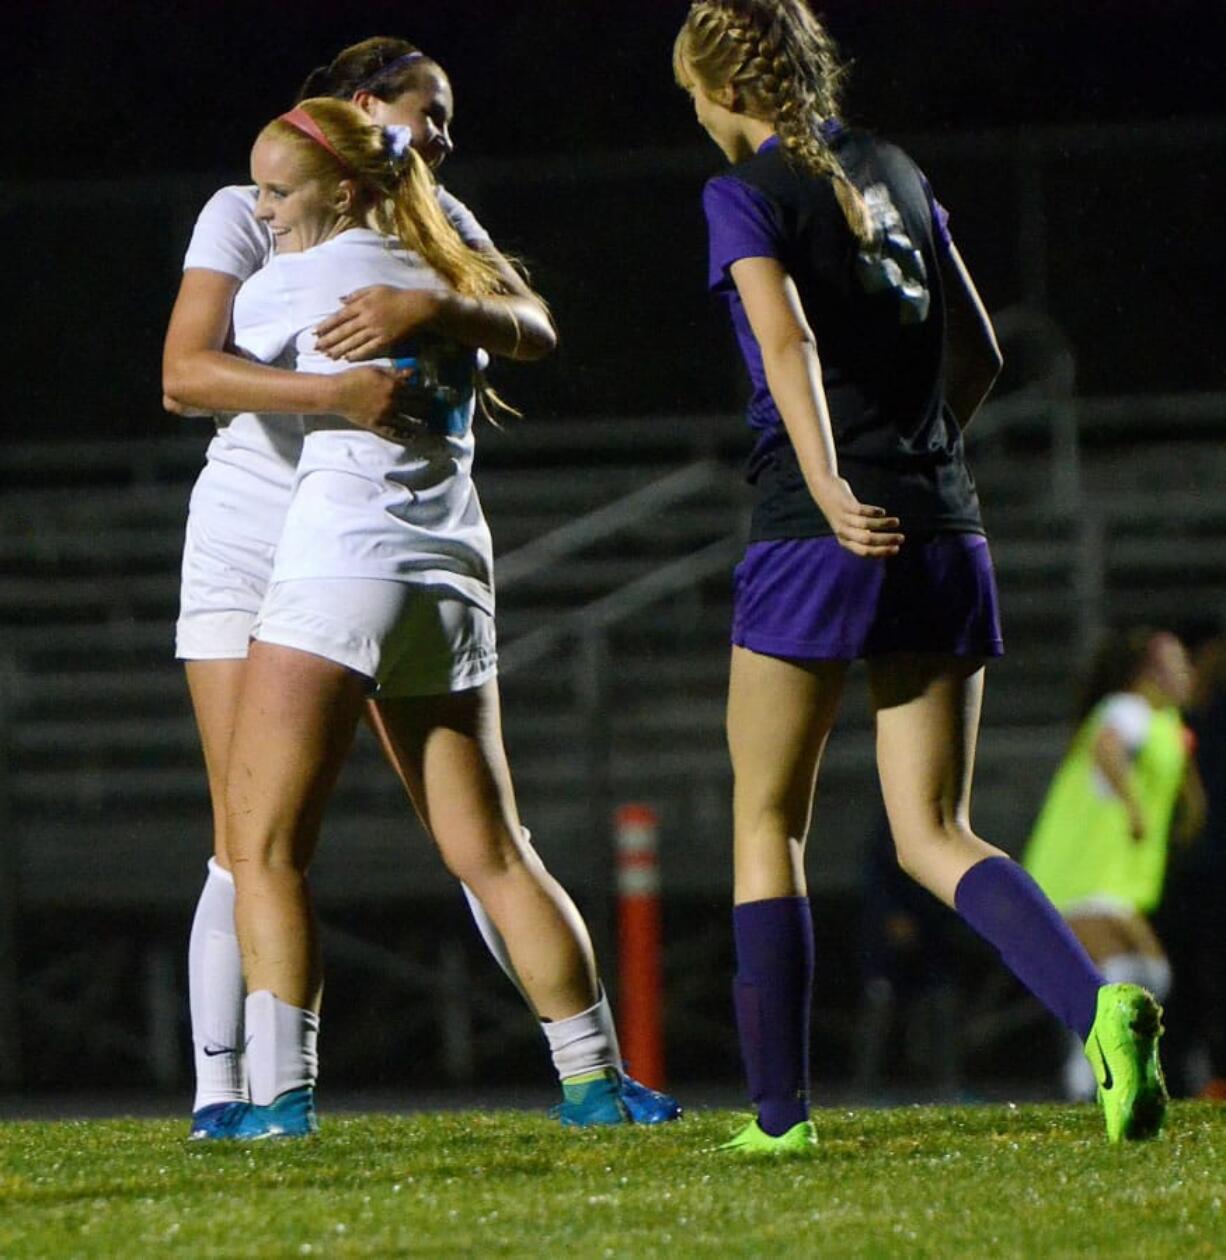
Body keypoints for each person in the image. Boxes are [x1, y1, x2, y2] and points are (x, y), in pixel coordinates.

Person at [672, 0, 1166, 1152]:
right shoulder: (892, 165)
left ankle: (780, 1121)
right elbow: (980, 351)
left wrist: (836, 484)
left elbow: (782, 338)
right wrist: (916, 465)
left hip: (818, 530)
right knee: (934, 827)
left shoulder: (739, 190)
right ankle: (1096, 1009)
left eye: (690, 98)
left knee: (764, 823)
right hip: (946, 525)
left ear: (721, 91)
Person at [162, 39, 678, 1137]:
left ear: (330, 179)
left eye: (274, 192)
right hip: (447, 566)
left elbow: (184, 375)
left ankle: (275, 1104)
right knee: (491, 847)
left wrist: (338, 387)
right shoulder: (430, 254)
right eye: (423, 114)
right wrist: (427, 315)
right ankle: (594, 1081)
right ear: (364, 118)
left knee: (255, 847)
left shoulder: (307, 268)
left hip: (332, 568)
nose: (258, 208)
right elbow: (519, 326)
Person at [1024, 627, 1202, 1099]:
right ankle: (1089, 1079)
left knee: (1151, 974)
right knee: (1120, 974)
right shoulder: (1127, 709)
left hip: (1116, 882)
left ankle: (1094, 1067)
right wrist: (1134, 806)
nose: (1188, 671)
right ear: (1147, 673)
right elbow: (1107, 746)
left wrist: (1189, 801)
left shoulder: (1167, 725)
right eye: (1177, 662)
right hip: (1078, 873)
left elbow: (1174, 764)